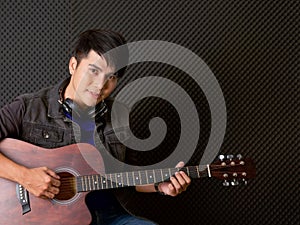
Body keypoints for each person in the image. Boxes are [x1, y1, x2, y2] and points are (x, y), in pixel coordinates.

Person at [0, 29, 191, 224]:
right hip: (53, 219)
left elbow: (128, 175)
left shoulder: (119, 114)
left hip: (110, 216)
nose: (101, 85)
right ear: (73, 65)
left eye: (112, 77)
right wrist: (24, 176)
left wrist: (161, 185)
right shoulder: (28, 108)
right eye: (94, 71)